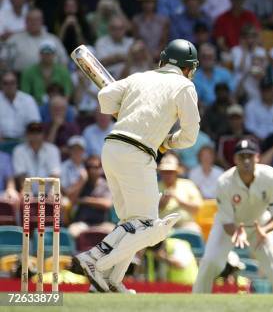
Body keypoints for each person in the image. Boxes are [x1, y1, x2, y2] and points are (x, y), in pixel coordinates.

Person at [72, 39, 200, 293]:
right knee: (152, 228)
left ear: (163, 60)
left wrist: (125, 108)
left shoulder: (139, 77)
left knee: (131, 224)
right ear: (189, 68)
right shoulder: (184, 86)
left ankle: (110, 281)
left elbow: (105, 97)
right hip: (137, 152)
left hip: (111, 149)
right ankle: (95, 259)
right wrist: (167, 142)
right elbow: (190, 135)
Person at [192, 138, 273, 294]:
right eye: (242, 156)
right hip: (230, 225)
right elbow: (226, 221)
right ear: (235, 160)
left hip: (260, 223)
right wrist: (236, 231)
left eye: (250, 156)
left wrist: (264, 230)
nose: (246, 160)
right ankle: (196, 302)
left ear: (257, 158)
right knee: (210, 261)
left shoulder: (271, 176)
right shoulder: (224, 182)